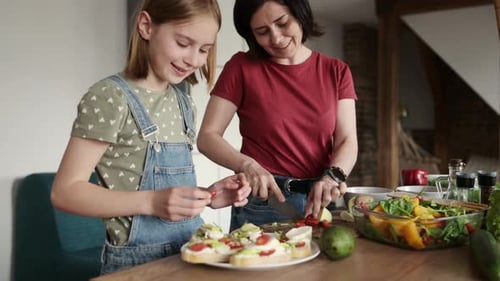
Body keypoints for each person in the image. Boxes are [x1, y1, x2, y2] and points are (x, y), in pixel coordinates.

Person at [51, 0, 251, 275]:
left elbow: (169, 195)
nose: (194, 59)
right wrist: (151, 202)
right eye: (183, 43)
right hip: (136, 265)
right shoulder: (111, 96)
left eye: (204, 49)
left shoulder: (183, 103)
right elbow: (65, 191)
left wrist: (210, 195)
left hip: (191, 253)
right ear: (146, 26)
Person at [197, 0, 358, 230]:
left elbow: (347, 140)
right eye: (262, 32)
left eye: (283, 23)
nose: (276, 38)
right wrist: (248, 165)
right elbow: (207, 137)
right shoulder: (241, 67)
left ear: (300, 15)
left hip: (323, 200)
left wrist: (332, 177)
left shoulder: (336, 71)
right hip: (265, 201)